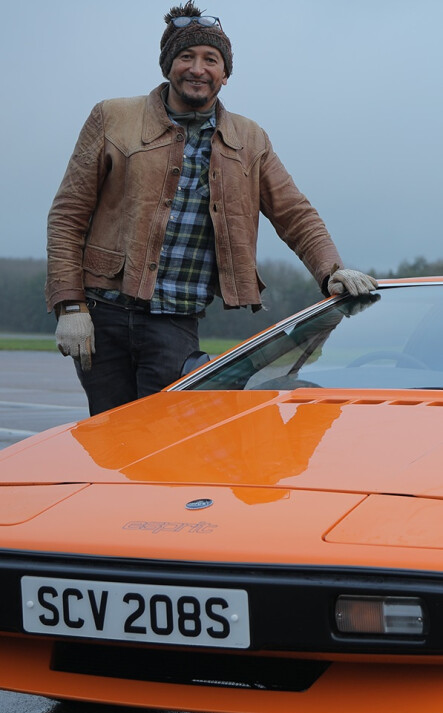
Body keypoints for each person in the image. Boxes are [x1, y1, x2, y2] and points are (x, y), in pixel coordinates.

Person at [46, 1, 378, 416]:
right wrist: (70, 305)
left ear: (225, 73)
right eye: (186, 56)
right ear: (168, 65)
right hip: (102, 313)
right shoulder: (112, 117)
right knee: (108, 433)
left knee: (167, 435)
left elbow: (295, 213)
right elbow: (68, 215)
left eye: (210, 59)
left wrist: (332, 270)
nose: (197, 69)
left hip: (175, 321)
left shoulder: (250, 139)